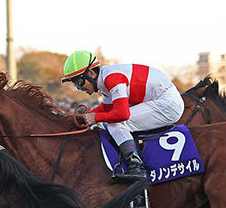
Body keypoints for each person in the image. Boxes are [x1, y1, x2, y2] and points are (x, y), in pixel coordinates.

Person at [61, 50, 184, 182]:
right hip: (160, 101)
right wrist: (87, 115)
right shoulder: (105, 79)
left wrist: (95, 118)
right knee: (108, 121)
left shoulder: (112, 79)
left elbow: (122, 114)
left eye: (79, 82)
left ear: (91, 73)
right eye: (75, 84)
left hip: (168, 104)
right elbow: (107, 108)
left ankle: (136, 167)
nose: (79, 88)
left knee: (115, 123)